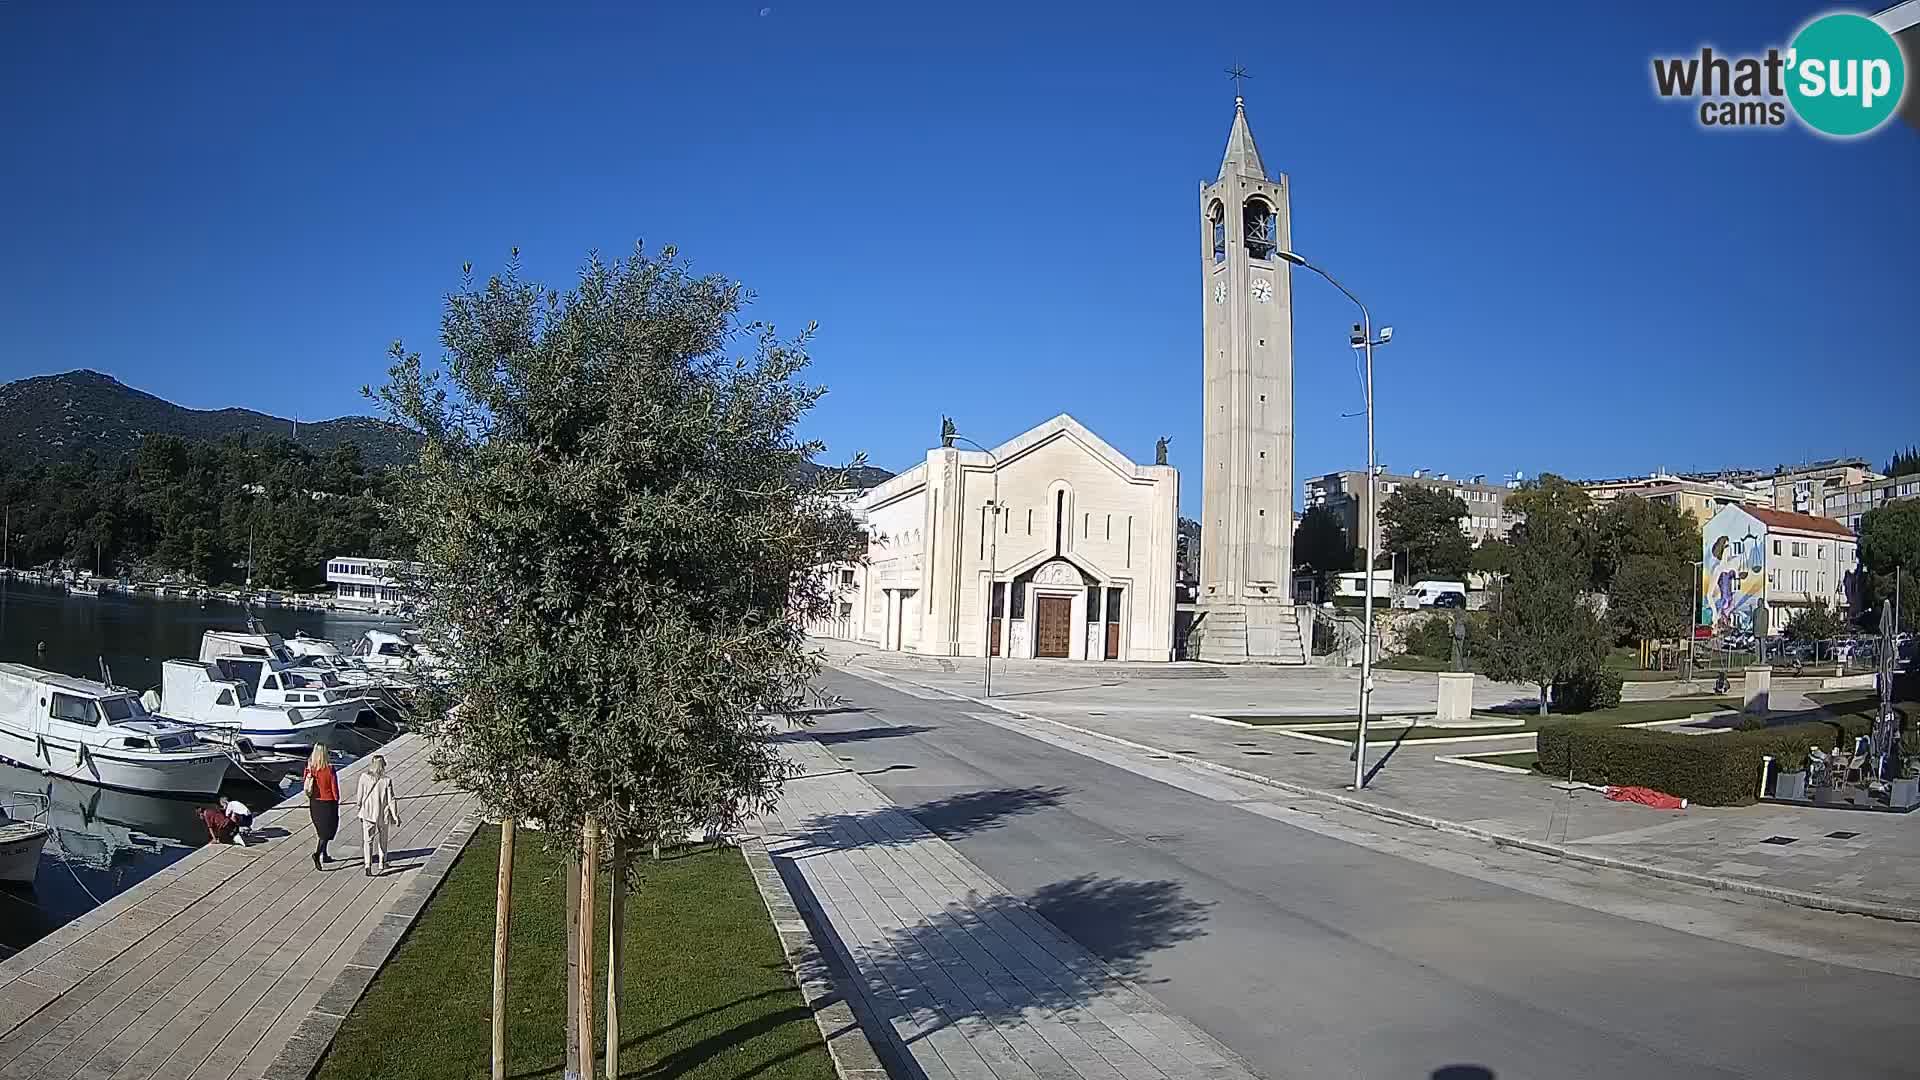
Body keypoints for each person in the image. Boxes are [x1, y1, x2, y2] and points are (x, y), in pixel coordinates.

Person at [355, 754, 401, 876]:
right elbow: (392, 799)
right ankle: (382, 862)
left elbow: (359, 797)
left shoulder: (364, 777)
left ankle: (367, 865)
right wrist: (395, 815)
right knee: (383, 839)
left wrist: (359, 807)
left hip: (368, 813)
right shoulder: (386, 780)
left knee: (368, 841)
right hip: (383, 814)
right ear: (383, 765)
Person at [303, 743, 340, 870]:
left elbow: (306, 782)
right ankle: (317, 854)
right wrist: (337, 800)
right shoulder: (329, 768)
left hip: (315, 802)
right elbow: (333, 787)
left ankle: (325, 854)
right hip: (328, 802)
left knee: (321, 831)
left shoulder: (310, 768)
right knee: (327, 831)